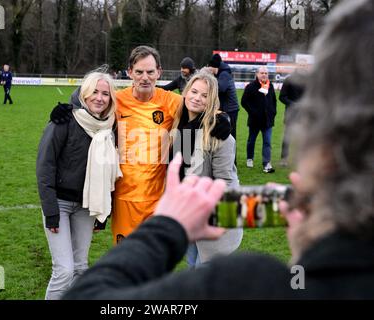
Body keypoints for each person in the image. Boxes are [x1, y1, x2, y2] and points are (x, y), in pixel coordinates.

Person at [63, 0, 374, 299]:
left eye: (151, 72)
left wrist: (221, 125)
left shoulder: (251, 279)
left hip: (190, 217)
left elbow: (89, 293)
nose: (195, 97)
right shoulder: (166, 113)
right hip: (151, 206)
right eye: (192, 92)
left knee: (179, 274)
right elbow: (96, 101)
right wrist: (68, 112)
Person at [50, 46, 233, 244]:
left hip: (159, 199)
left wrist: (223, 118)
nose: (145, 77)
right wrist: (69, 109)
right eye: (139, 72)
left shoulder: (171, 101)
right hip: (124, 199)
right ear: (130, 73)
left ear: (159, 72)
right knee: (125, 261)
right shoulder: (117, 100)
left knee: (155, 262)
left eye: (150, 72)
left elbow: (199, 105)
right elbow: (90, 98)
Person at [36, 70, 122, 299]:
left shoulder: (110, 126)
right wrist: (51, 212)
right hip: (59, 204)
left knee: (81, 268)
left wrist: (103, 212)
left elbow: (109, 173)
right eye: (94, 91)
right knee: (64, 270)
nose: (99, 98)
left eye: (105, 93)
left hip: (86, 206)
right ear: (84, 92)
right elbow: (45, 167)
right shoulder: (64, 119)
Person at [170, 69, 242, 267]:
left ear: (212, 101)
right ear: (186, 92)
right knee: (192, 269)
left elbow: (226, 183)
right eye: (194, 92)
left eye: (204, 95)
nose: (197, 98)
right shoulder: (180, 127)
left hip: (213, 222)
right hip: (189, 220)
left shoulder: (219, 133)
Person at [241, 66, 277, 173]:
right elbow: (244, 102)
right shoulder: (251, 86)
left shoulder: (271, 86)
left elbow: (274, 101)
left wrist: (273, 113)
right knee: (251, 141)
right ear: (257, 74)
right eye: (262, 73)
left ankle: (266, 163)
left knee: (267, 142)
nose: (264, 75)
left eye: (266, 73)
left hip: (268, 121)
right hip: (255, 121)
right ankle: (249, 158)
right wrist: (253, 112)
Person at [207, 53, 240, 146]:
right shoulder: (221, 73)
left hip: (231, 109)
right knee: (224, 132)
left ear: (214, 67)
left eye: (210, 67)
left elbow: (221, 89)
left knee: (231, 135)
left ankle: (233, 160)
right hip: (226, 108)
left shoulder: (224, 74)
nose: (209, 69)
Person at [278, 68, 305, 167]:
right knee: (287, 138)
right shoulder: (288, 81)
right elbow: (282, 97)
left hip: (304, 114)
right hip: (291, 114)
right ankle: (284, 159)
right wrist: (294, 105)